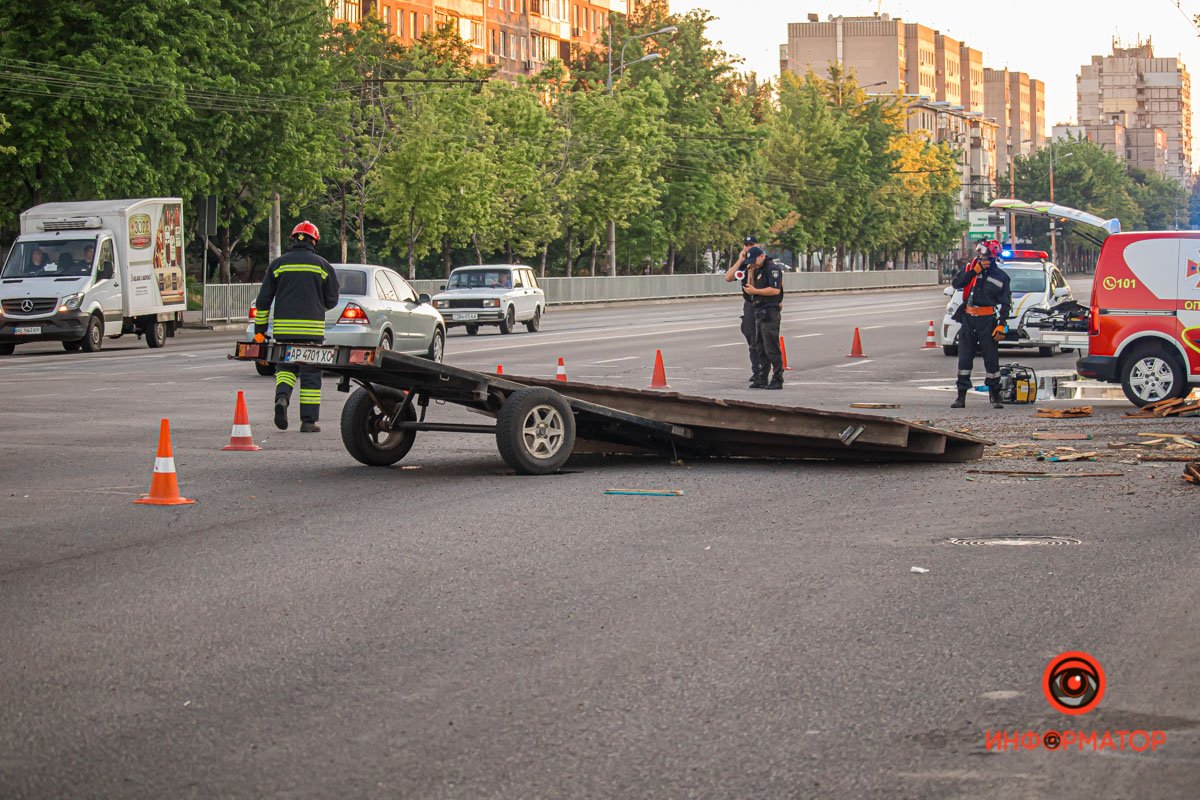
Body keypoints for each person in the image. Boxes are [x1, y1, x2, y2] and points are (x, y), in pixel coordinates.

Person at [254, 221, 339, 432]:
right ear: (314, 241)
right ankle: (308, 422)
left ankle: (282, 399)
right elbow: (332, 299)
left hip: (284, 332)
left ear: (294, 240)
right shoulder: (322, 266)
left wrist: (259, 332)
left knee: (285, 368)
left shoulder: (278, 265)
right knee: (310, 374)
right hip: (312, 332)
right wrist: (318, 306)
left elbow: (263, 301)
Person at [950, 239, 1012, 409]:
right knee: (964, 359)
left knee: (991, 360)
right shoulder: (971, 269)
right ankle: (961, 396)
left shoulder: (1001, 277)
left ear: (992, 259)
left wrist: (1002, 325)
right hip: (969, 319)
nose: (981, 260)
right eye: (980, 256)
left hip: (988, 321)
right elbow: (956, 283)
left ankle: (995, 395)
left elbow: (1006, 304)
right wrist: (973, 272)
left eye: (985, 257)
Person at [725, 236, 762, 386]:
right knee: (751, 338)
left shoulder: (762, 261)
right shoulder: (744, 264)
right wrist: (740, 260)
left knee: (765, 339)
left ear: (758, 245)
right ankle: (757, 371)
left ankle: (766, 370)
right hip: (750, 304)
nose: (748, 247)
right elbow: (728, 277)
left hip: (763, 303)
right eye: (746, 244)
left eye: (751, 244)